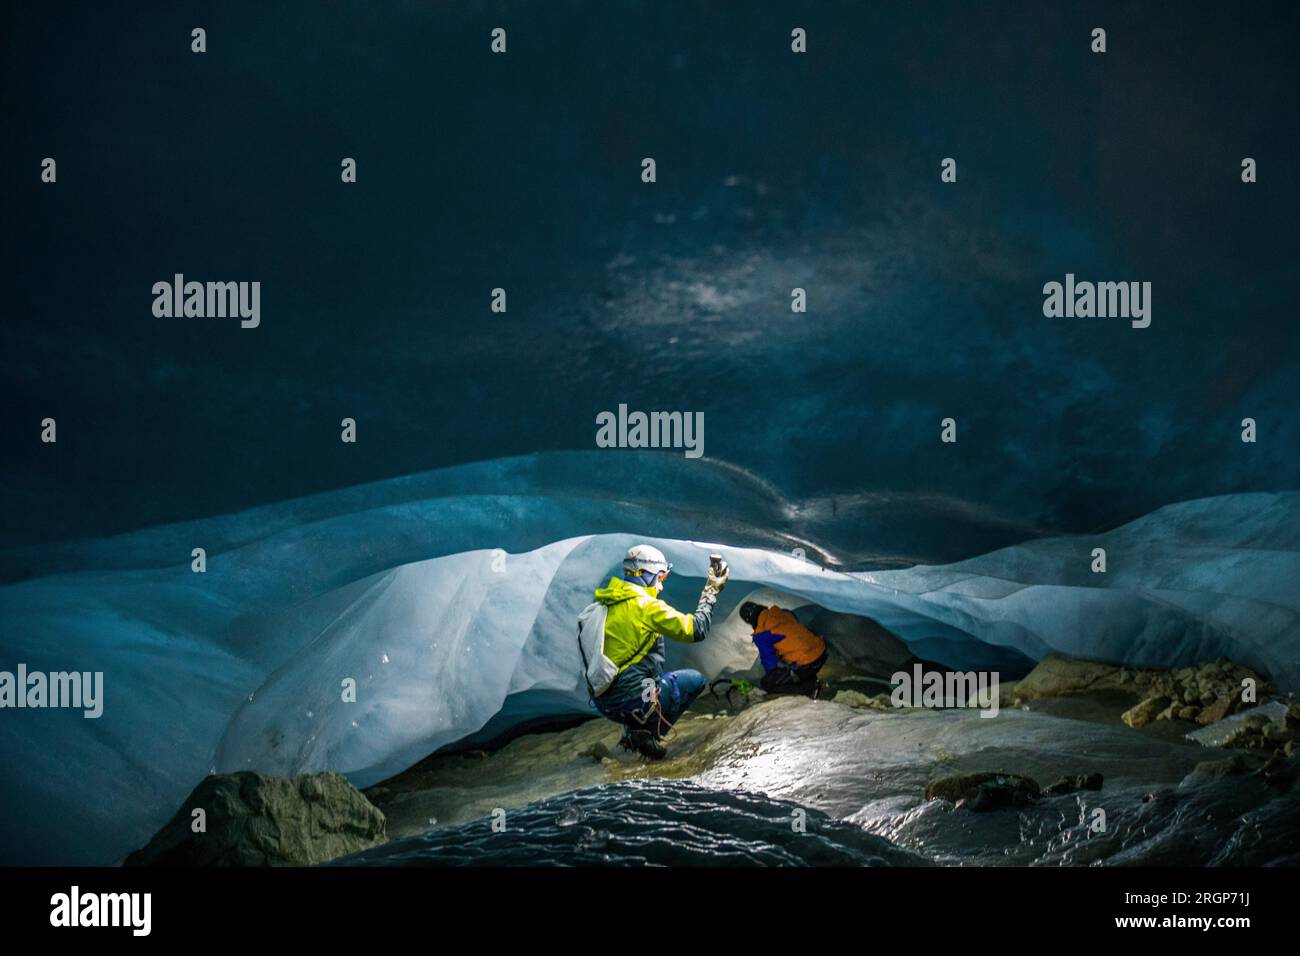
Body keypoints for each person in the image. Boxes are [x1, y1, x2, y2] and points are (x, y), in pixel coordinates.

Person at [583, 545, 729, 760]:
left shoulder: (600, 606)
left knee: (642, 673)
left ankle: (635, 731)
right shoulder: (647, 607)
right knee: (694, 680)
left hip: (604, 704)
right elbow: (696, 629)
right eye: (661, 576)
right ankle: (646, 734)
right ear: (647, 575)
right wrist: (711, 589)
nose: (661, 584)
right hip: (635, 702)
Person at [738, 601, 828, 697]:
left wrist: (773, 677)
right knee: (791, 661)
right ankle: (810, 681)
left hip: (808, 663)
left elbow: (770, 664)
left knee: (768, 684)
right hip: (821, 651)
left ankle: (811, 689)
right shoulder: (783, 613)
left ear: (748, 620)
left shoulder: (761, 634)